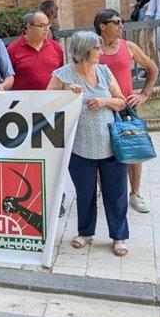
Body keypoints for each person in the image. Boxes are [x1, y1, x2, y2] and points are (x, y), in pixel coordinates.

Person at [47, 31, 129, 257]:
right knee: (85, 192)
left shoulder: (104, 71)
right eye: (97, 48)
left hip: (111, 144)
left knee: (116, 192)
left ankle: (119, 236)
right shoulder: (63, 75)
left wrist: (104, 101)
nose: (101, 52)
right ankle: (85, 232)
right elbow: (45, 103)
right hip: (79, 146)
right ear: (85, 51)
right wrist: (66, 93)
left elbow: (121, 101)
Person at [94, 9, 159, 214]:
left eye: (121, 21)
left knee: (134, 149)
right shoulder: (93, 49)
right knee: (101, 151)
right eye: (116, 22)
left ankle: (135, 193)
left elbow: (153, 68)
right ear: (103, 26)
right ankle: (102, 192)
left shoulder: (128, 47)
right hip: (102, 107)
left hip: (127, 108)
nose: (121, 25)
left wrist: (144, 94)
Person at [8, 11, 64, 90]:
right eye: (42, 26)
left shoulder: (56, 47)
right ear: (29, 27)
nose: (47, 29)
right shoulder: (12, 49)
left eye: (48, 25)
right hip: (26, 100)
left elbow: (62, 75)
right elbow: (8, 78)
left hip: (52, 100)